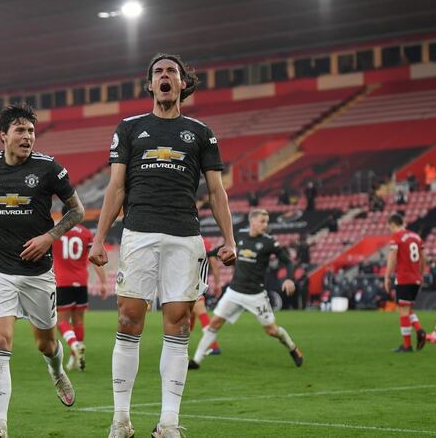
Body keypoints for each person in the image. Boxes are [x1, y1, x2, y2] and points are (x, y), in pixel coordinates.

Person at [88, 53, 237, 438]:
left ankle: (169, 422)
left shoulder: (201, 132)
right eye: (158, 72)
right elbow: (116, 187)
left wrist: (230, 240)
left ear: (183, 83)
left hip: (185, 236)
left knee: (179, 324)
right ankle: (121, 420)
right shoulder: (130, 128)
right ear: (150, 85)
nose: (165, 76)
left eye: (172, 71)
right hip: (139, 232)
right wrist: (99, 237)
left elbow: (216, 191)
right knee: (128, 319)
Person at [0, 103, 84, 438]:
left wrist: (49, 237)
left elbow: (77, 210)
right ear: (4, 135)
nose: (28, 137)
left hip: (37, 273)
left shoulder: (49, 168)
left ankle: (55, 370)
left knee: (46, 344)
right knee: (0, 341)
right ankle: (0, 425)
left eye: (32, 131)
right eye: (21, 130)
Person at [189, 209, 302, 370]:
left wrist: (289, 278)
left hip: (256, 295)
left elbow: (288, 262)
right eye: (262, 221)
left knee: (272, 330)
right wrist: (207, 254)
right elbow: (222, 248)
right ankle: (196, 361)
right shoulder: (240, 236)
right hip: (234, 292)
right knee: (214, 324)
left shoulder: (269, 242)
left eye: (267, 222)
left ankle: (292, 348)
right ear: (252, 221)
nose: (265, 225)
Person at [52, 210, 107, 372]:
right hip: (81, 282)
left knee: (61, 322)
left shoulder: (55, 233)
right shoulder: (86, 233)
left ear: (63, 216)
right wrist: (103, 282)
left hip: (63, 283)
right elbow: (95, 258)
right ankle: (75, 359)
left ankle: (75, 345)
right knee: (78, 322)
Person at [383, 214, 426, 353]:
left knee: (402, 310)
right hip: (416, 278)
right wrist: (421, 274)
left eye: (390, 227)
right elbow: (423, 258)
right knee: (408, 309)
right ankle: (419, 330)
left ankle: (406, 345)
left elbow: (392, 258)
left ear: (393, 224)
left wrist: (387, 277)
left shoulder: (396, 237)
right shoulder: (416, 237)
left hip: (404, 278)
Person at [189, 239, 224, 356]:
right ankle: (180, 342)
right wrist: (217, 283)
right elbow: (213, 263)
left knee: (199, 310)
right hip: (198, 282)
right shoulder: (204, 242)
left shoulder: (182, 237)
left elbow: (213, 262)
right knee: (190, 314)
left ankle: (214, 346)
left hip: (189, 282)